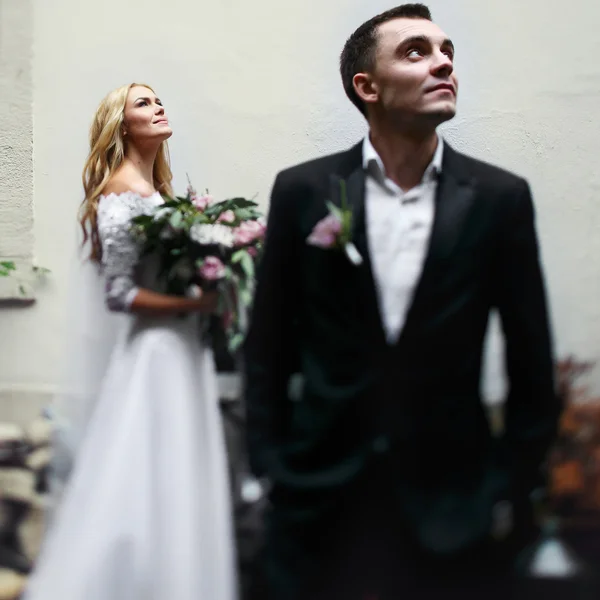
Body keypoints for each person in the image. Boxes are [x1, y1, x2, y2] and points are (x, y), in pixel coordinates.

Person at [243, 4, 561, 599]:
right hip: (317, 498)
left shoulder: (499, 197)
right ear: (367, 87)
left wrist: (508, 485)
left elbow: (531, 356)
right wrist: (273, 467)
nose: (443, 63)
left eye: (447, 52)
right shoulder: (305, 190)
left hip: (452, 507)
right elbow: (268, 345)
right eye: (416, 52)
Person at [24, 83, 238, 600]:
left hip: (182, 350)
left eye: (160, 99)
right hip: (155, 354)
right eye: (143, 103)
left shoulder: (159, 192)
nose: (158, 106)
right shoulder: (121, 190)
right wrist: (200, 305)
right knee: (147, 479)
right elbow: (120, 293)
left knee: (177, 483)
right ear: (121, 125)